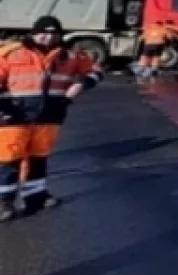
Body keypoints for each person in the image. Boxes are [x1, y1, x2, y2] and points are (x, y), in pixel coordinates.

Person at [0, 15, 104, 220]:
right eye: (43, 33)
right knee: (8, 158)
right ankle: (4, 202)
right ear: (33, 33)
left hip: (50, 114)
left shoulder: (70, 56)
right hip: (14, 114)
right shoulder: (11, 53)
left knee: (39, 157)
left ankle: (36, 196)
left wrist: (79, 86)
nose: (48, 37)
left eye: (53, 33)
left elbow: (95, 71)